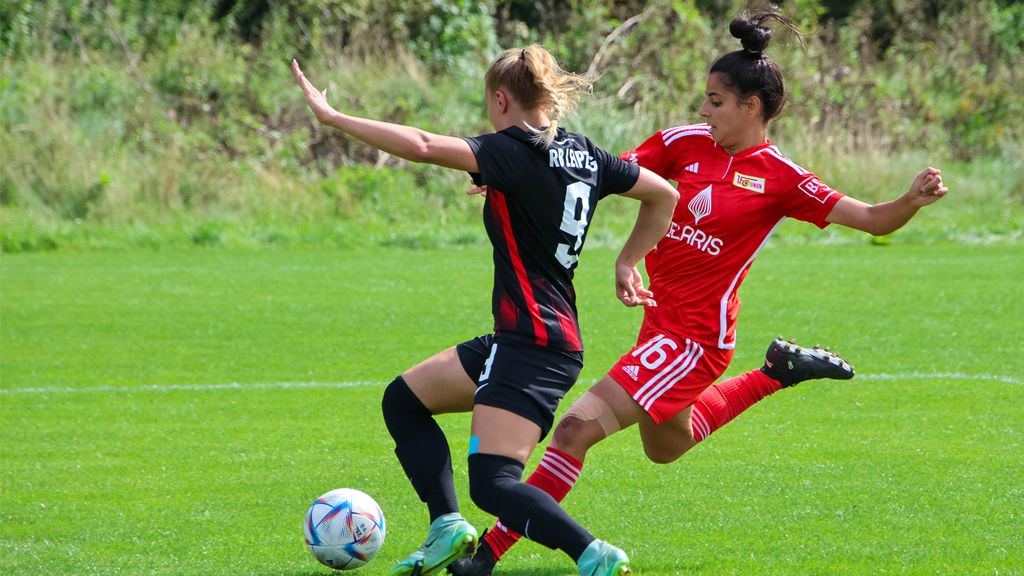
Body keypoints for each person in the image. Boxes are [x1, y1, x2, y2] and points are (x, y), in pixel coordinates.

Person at [450, 11, 949, 576]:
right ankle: (775, 373)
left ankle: (489, 555)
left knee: (574, 430)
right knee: (665, 446)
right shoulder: (682, 143)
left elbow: (873, 219)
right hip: (659, 325)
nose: (703, 110)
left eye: (715, 100)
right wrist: (509, 173)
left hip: (695, 338)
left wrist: (909, 200)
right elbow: (590, 175)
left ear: (750, 107)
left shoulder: (782, 177)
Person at [293, 45, 679, 576]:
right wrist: (627, 262)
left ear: (501, 100)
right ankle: (447, 527)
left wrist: (334, 116)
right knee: (404, 400)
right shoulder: (585, 154)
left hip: (534, 343)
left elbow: (425, 145)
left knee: (495, 485)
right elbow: (663, 194)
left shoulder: (511, 149)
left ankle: (595, 555)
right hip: (529, 337)